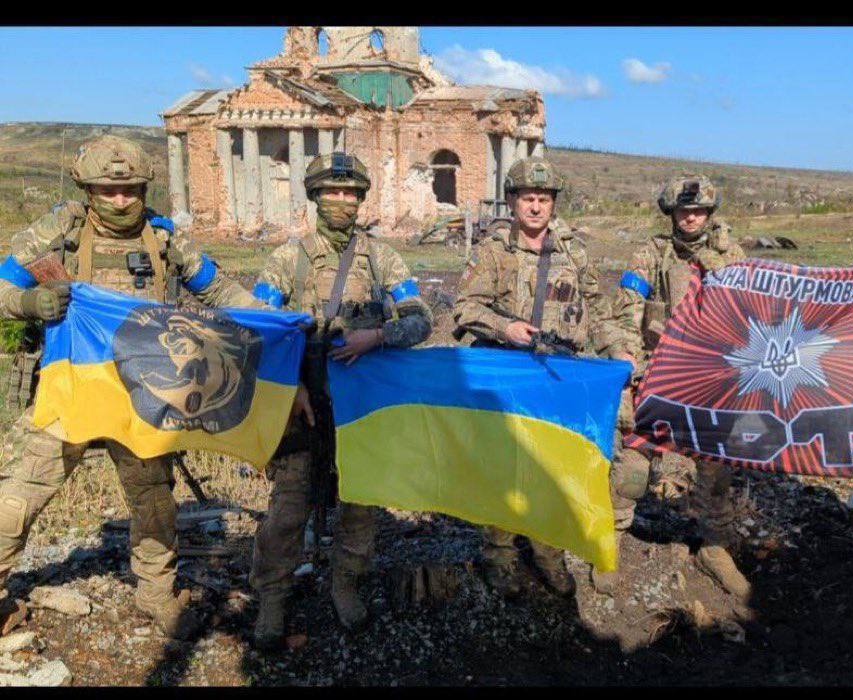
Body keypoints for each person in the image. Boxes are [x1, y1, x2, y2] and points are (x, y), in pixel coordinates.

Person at [0, 135, 258, 639]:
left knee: (154, 501)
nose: (121, 200)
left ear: (144, 187)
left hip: (144, 391)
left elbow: (221, 289)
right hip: (72, 388)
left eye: (131, 190)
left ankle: (157, 595)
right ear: (87, 188)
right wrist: (30, 305)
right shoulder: (58, 230)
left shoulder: (164, 238)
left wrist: (274, 321)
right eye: (108, 190)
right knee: (23, 493)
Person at [248, 152, 432, 650]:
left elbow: (421, 318)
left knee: (359, 506)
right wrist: (292, 389)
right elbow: (259, 331)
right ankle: (271, 598)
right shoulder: (287, 258)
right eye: (333, 191)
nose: (343, 201)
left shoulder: (381, 258)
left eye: (351, 193)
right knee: (288, 511)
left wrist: (377, 336)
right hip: (301, 403)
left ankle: (345, 585)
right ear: (314, 196)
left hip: (361, 407)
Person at [453, 156, 624, 599]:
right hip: (510, 376)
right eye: (528, 198)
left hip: (559, 377)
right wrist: (503, 328)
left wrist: (615, 353)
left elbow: (598, 311)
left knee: (554, 467)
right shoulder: (493, 251)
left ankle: (548, 551)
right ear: (512, 201)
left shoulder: (573, 251)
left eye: (543, 199)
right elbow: (465, 308)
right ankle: (501, 556)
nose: (535, 207)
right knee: (506, 469)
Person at [601, 174, 752, 600]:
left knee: (717, 468)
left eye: (699, 211)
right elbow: (626, 313)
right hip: (659, 371)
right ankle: (609, 539)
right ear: (671, 213)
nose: (691, 218)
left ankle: (715, 548)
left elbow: (751, 317)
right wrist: (628, 355)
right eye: (684, 211)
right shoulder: (650, 254)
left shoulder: (731, 255)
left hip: (710, 376)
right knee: (633, 462)